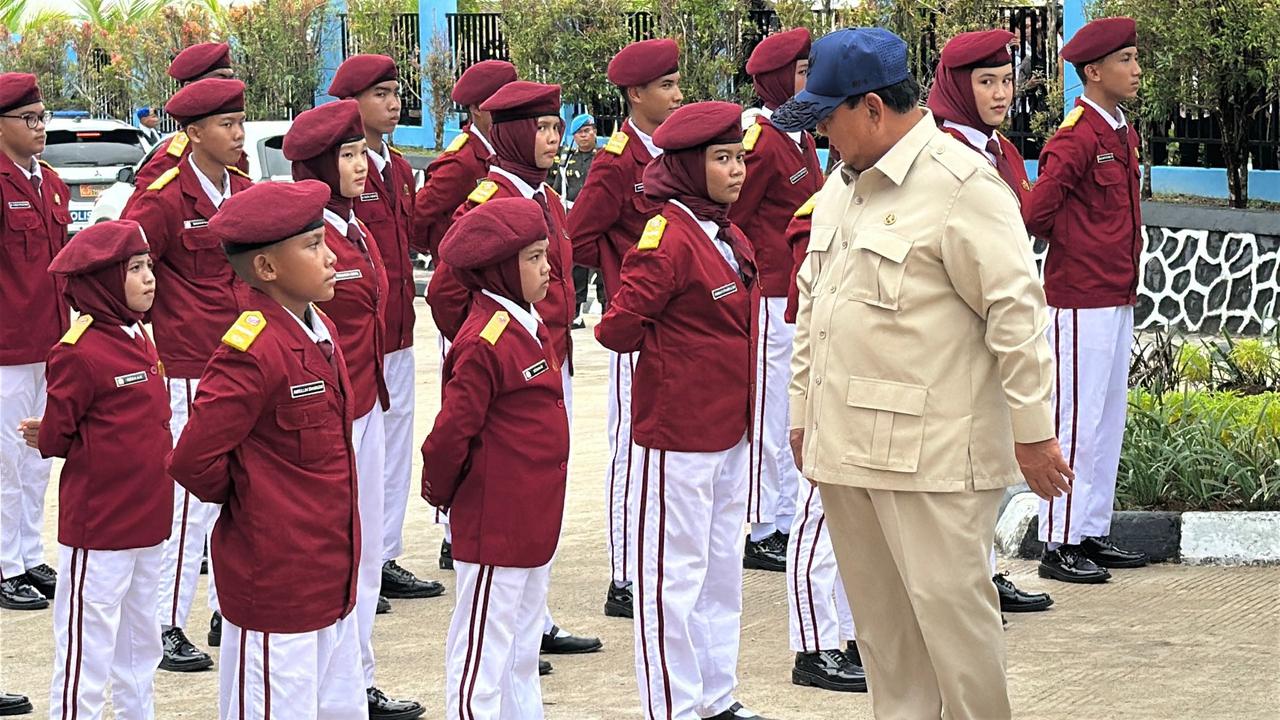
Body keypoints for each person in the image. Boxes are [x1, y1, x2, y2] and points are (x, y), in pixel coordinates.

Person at [773, 27, 1072, 719]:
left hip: (932, 457)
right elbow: (815, 306)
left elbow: (1017, 316)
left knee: (956, 634)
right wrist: (802, 414)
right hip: (848, 449)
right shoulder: (842, 186)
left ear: (873, 108)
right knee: (886, 642)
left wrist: (1033, 433)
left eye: (827, 117)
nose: (819, 134)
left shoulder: (962, 186)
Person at [167, 180, 366, 719]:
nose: (331, 257)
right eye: (313, 246)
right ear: (267, 268)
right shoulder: (251, 349)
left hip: (329, 576)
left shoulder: (318, 330)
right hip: (277, 584)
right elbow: (192, 459)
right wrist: (256, 496)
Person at [596, 101, 768, 720]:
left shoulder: (727, 232)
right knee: (673, 579)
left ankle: (716, 697)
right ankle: (673, 707)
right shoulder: (667, 235)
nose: (737, 170)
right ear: (690, 166)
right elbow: (618, 328)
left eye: (739, 158)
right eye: (722, 159)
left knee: (721, 572)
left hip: (729, 430)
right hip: (677, 435)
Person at [427, 81, 602, 662]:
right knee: (508, 493)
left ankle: (536, 619)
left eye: (555, 127)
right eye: (541, 128)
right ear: (513, 134)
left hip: (550, 358)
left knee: (542, 489)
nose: (552, 138)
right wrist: (490, 346)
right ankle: (519, 627)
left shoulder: (546, 196)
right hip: (510, 368)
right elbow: (449, 290)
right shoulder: (489, 200)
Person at [283, 100, 427, 720]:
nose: (361, 164)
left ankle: (355, 681)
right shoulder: (304, 236)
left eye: (360, 152)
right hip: (325, 414)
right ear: (319, 165)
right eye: (346, 156)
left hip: (364, 401)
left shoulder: (355, 227)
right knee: (332, 552)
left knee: (363, 553)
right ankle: (332, 686)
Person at [122, 77, 254, 673]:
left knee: (243, 491)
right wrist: (146, 332)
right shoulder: (165, 198)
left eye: (240, 122)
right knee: (187, 502)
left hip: (245, 363)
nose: (238, 134)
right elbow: (123, 263)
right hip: (189, 365)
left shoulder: (244, 191)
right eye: (226, 125)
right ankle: (165, 621)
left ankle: (228, 607)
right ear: (193, 133)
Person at [422, 197, 570, 719]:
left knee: (522, 649)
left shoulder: (526, 322)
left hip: (530, 517)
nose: (547, 267)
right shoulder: (485, 339)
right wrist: (442, 493)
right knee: (482, 652)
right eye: (533, 258)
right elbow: (451, 432)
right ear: (500, 269)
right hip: (496, 521)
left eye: (545, 254)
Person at [925, 29, 1057, 614]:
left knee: (987, 452)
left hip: (997, 313)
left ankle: (986, 573)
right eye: (986, 82)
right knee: (959, 464)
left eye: (1006, 81)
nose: (1001, 94)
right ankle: (965, 589)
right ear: (958, 86)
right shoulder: (940, 149)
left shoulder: (998, 149)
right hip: (955, 324)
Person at [18, 220, 170, 719]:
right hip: (101, 525)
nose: (149, 278)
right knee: (87, 646)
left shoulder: (138, 335)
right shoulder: (78, 351)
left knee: (141, 642)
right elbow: (58, 434)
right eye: (135, 269)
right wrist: (45, 432)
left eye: (148, 266)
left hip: (147, 519)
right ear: (102, 281)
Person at [1023, 16, 1150, 583]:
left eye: (1135, 58)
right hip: (1078, 299)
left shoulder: (1121, 131)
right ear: (1093, 72)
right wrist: (1080, 247)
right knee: (1073, 421)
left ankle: (1091, 529)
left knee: (1106, 418)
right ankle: (1059, 541)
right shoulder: (1076, 136)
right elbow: (1036, 214)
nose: (1136, 69)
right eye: (1126, 60)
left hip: (1116, 292)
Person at [567, 37, 682, 620]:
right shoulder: (617, 161)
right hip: (633, 324)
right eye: (666, 86)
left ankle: (654, 561)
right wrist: (620, 275)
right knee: (631, 451)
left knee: (667, 452)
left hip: (675, 324)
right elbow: (577, 237)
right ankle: (624, 575)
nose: (678, 95)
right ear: (635, 94)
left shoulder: (673, 153)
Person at [328, 54, 442, 605]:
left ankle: (385, 554)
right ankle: (352, 562)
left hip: (398, 330)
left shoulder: (397, 165)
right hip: (355, 342)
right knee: (354, 454)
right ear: (351, 104)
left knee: (393, 451)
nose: (394, 104)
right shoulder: (338, 169)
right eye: (381, 95)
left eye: (396, 93)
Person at [410, 59, 517, 571]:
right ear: (478, 110)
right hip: (467, 307)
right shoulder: (462, 161)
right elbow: (420, 222)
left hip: (500, 310)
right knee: (463, 417)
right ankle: (453, 530)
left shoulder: (502, 156)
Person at [733, 27, 823, 574]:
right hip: (768, 296)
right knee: (769, 413)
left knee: (793, 410)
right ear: (776, 81)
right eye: (802, 73)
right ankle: (763, 524)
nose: (810, 82)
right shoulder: (762, 142)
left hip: (796, 292)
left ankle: (785, 517)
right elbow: (734, 219)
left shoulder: (801, 137)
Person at [777, 195, 868, 695]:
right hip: (830, 382)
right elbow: (808, 316)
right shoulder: (827, 208)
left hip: (872, 383)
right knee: (817, 519)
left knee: (860, 528)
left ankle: (858, 638)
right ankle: (813, 647)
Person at [0, 72, 71, 612]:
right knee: (5, 462)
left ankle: (28, 554)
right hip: (6, 346)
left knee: (37, 457)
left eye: (42, 117)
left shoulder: (50, 182)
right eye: (28, 119)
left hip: (50, 340)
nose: (40, 127)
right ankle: (5, 565)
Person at [412, 59, 517, 260]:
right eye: (500, 105)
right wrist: (442, 255)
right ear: (477, 108)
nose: (510, 112)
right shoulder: (461, 162)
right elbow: (418, 214)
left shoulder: (505, 150)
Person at [123, 42, 247, 211]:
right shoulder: (169, 160)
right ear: (189, 88)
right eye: (221, 78)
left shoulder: (232, 151)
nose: (230, 86)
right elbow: (138, 218)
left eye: (232, 78)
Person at [552, 113, 603, 326]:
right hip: (574, 217)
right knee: (576, 266)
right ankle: (576, 313)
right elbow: (557, 190)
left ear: (595, 132)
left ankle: (607, 311)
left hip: (600, 217)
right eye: (579, 133)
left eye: (587, 131)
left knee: (603, 266)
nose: (584, 136)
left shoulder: (603, 156)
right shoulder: (566, 161)